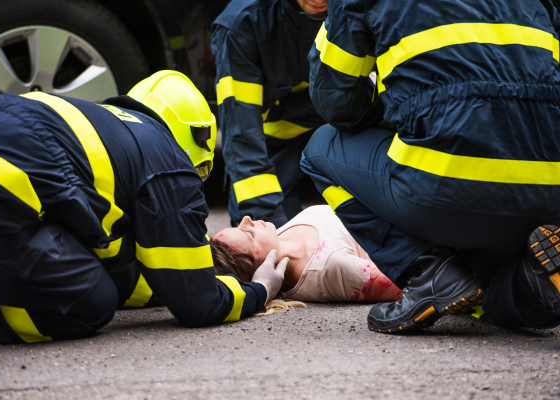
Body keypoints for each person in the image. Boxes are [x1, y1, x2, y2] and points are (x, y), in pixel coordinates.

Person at [0, 71, 288, 346]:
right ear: (195, 150)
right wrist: (259, 289)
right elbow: (198, 302)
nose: (246, 218)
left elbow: (130, 270)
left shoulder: (99, 127)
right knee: (89, 302)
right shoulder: (170, 164)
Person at [302, 0, 560, 333]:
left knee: (320, 149)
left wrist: (399, 117)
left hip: (445, 188)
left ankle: (427, 272)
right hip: (548, 194)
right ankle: (533, 281)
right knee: (491, 291)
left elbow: (336, 100)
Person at [211, 0, 328, 229]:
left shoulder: (363, 10)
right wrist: (271, 224)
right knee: (278, 235)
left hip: (338, 133)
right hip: (272, 144)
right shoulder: (242, 24)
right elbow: (242, 136)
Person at [210, 205, 402, 311]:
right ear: (262, 267)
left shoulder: (278, 237)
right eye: (249, 235)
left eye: (238, 227)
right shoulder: (331, 267)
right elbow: (414, 285)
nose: (246, 220)